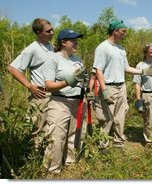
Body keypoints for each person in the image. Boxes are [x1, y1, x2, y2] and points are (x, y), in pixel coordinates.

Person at [92, 19, 152, 150]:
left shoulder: (121, 49)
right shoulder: (103, 47)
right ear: (115, 31)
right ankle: (103, 146)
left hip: (121, 86)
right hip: (109, 86)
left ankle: (118, 143)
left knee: (120, 116)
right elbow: (98, 70)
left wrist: (144, 71)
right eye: (123, 31)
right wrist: (104, 90)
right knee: (106, 118)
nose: (125, 34)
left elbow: (126, 68)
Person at [42, 29, 87, 173]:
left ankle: (70, 164)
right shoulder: (53, 59)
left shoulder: (77, 59)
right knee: (56, 137)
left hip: (77, 102)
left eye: (77, 40)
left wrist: (87, 90)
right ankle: (52, 169)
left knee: (73, 135)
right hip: (60, 102)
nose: (76, 43)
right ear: (63, 42)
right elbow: (48, 86)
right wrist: (68, 81)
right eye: (73, 40)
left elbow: (81, 80)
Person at [8, 18, 54, 147]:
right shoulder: (32, 49)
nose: (52, 32)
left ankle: (47, 158)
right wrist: (29, 86)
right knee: (38, 129)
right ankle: (35, 158)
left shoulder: (51, 47)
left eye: (52, 29)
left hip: (54, 95)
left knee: (51, 129)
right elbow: (12, 68)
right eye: (48, 31)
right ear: (39, 33)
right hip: (40, 96)